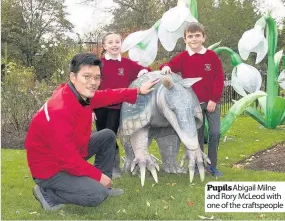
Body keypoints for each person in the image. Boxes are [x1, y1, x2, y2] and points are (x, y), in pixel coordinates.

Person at [25, 53, 159, 211]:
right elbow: (68, 160)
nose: (93, 82)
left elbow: (107, 95)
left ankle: (103, 187)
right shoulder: (59, 110)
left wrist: (137, 91)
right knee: (96, 196)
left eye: (97, 77)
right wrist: (98, 176)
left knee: (108, 136)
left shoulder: (77, 94)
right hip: (49, 169)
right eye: (87, 76)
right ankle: (47, 192)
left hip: (69, 151)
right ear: (73, 77)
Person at [159, 22, 224, 177]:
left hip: (211, 103)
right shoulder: (183, 58)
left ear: (203, 37)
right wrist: (166, 67)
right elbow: (168, 65)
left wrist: (214, 100)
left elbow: (219, 78)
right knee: (197, 136)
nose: (194, 39)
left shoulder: (211, 56)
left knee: (215, 133)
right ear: (185, 39)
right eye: (190, 36)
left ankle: (212, 166)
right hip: (193, 105)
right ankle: (197, 165)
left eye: (197, 36)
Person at [94, 32, 152, 177]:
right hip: (101, 107)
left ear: (121, 45)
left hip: (119, 107)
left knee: (116, 135)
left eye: (117, 42)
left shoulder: (127, 64)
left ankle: (122, 165)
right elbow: (91, 86)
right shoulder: (98, 64)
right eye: (110, 42)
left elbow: (145, 71)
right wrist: (91, 109)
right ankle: (106, 166)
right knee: (104, 136)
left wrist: (143, 72)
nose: (114, 45)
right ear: (104, 46)